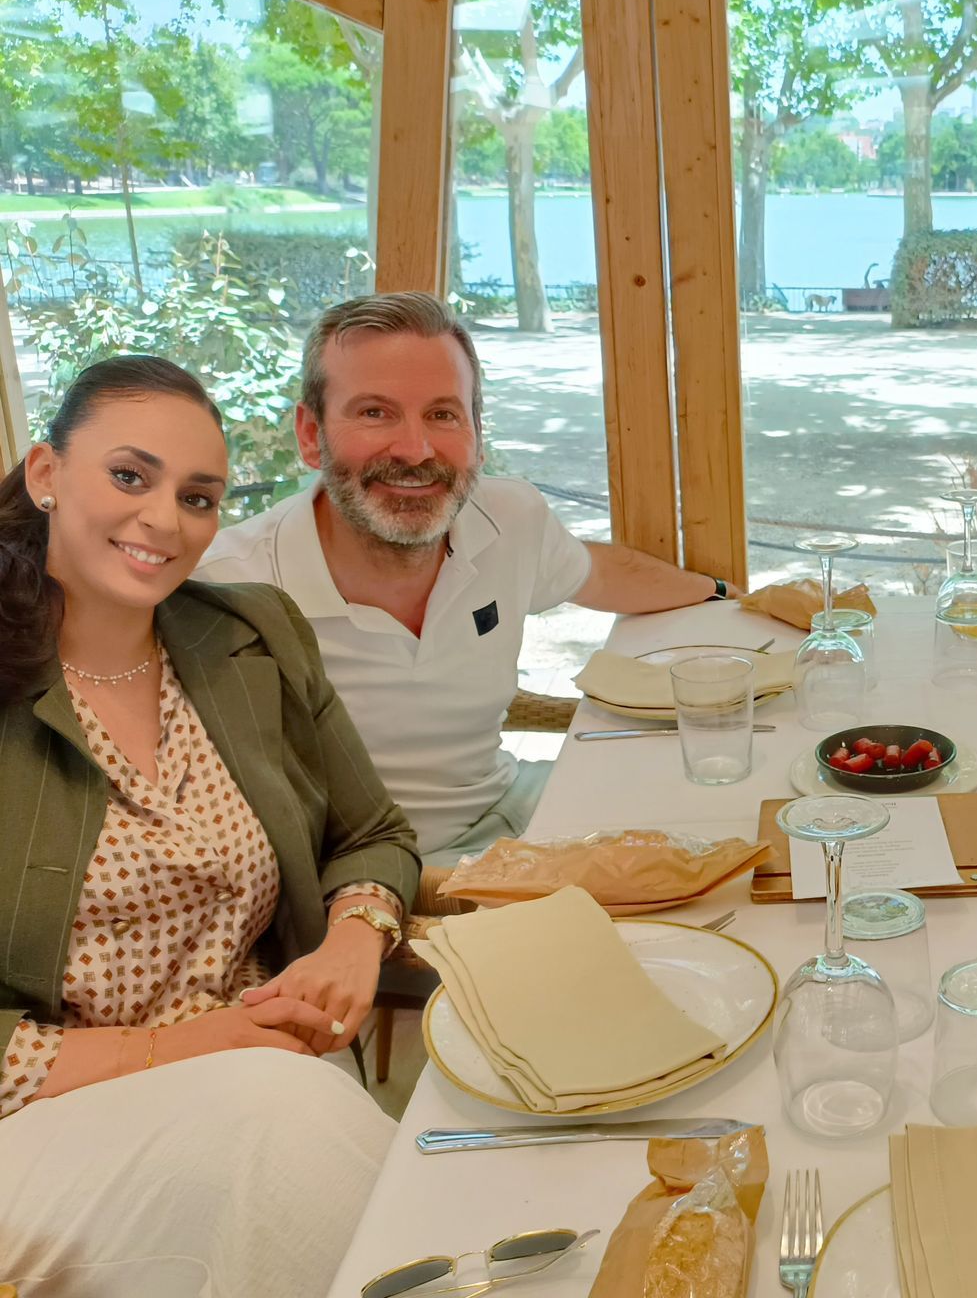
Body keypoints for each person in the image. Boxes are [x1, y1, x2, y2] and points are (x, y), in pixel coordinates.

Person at [0, 356, 420, 1297]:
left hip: (272, 1080)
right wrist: (181, 1049)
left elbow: (376, 833)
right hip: (43, 1122)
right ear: (44, 474)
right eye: (128, 476)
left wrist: (358, 935)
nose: (164, 520)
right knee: (290, 1129)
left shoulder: (251, 634)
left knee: (291, 1132)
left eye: (199, 496)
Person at [199, 292, 728, 866]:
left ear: (476, 432)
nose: (414, 449)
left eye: (443, 414)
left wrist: (731, 597)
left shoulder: (509, 519)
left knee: (725, 810)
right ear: (309, 434)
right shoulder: (229, 592)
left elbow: (602, 573)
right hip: (374, 873)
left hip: (512, 804)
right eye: (374, 412)